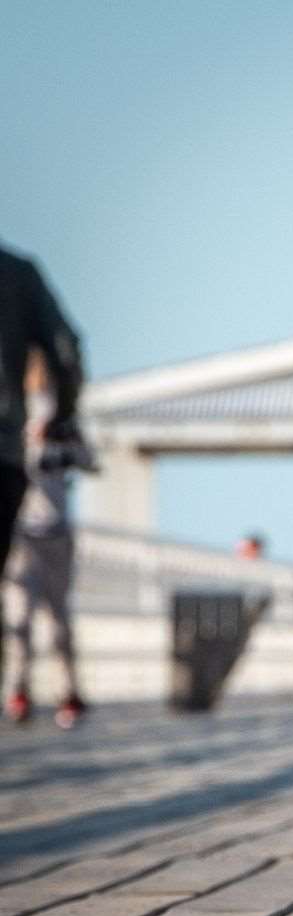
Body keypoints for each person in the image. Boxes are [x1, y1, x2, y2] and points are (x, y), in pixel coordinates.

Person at [0, 244, 83, 704]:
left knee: (39, 614)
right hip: (13, 482)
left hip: (44, 527)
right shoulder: (17, 274)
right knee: (28, 612)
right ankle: (22, 689)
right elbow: (69, 350)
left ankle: (55, 690)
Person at [5, 351, 90, 726]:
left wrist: (62, 440)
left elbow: (89, 460)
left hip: (57, 533)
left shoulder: (65, 421)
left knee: (58, 619)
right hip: (23, 533)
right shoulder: (11, 417)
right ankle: (18, 691)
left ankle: (67, 693)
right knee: (19, 617)